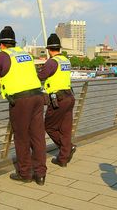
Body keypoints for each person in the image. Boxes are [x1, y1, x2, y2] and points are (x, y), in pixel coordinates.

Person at [0, 26, 47, 185]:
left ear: (1, 44)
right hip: (37, 96)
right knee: (37, 136)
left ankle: (25, 173)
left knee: (21, 137)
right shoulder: (25, 54)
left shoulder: (2, 56)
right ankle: (40, 173)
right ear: (14, 43)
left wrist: (4, 82)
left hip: (21, 100)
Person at [38, 33, 76, 167]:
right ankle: (63, 159)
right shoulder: (66, 60)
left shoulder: (52, 62)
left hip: (58, 100)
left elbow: (41, 76)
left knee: (49, 126)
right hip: (69, 97)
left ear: (49, 49)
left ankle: (67, 148)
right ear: (59, 48)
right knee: (65, 129)